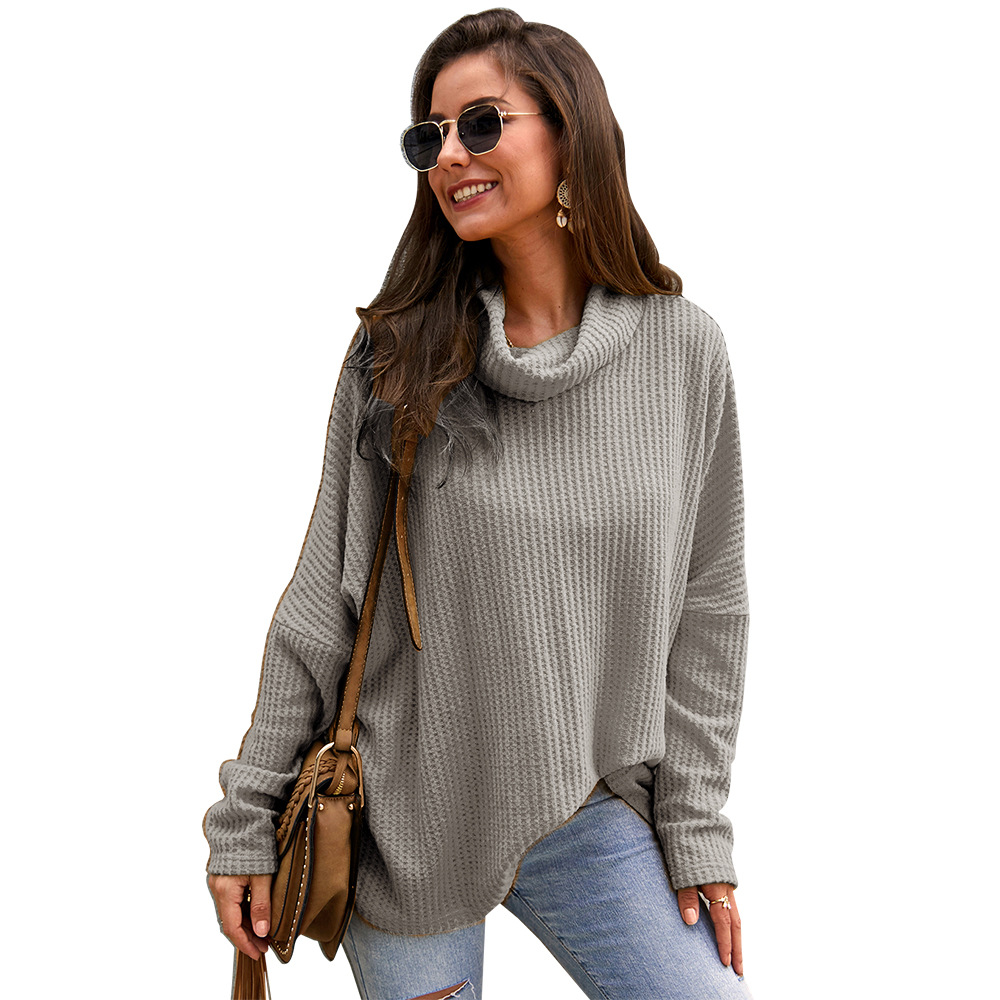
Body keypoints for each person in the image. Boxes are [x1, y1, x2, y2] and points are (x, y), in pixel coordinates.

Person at [204, 8, 754, 999]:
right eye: (430, 136)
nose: (450, 154)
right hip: (406, 820)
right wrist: (246, 815)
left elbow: (708, 609)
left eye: (483, 123)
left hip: (590, 804)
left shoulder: (683, 351)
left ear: (570, 133)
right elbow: (323, 599)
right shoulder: (396, 356)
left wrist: (695, 824)